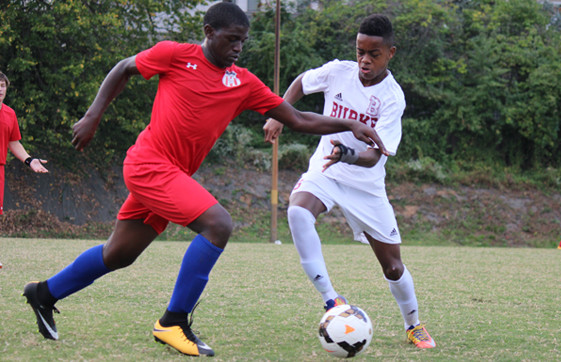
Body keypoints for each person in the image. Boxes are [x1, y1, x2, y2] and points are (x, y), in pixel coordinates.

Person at [21, 2, 387, 357]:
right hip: (149, 164)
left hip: (171, 175)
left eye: (243, 40)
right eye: (231, 39)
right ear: (209, 33)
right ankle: (174, 322)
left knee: (119, 254)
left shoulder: (242, 82)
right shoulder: (175, 55)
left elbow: (298, 119)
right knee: (218, 224)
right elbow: (123, 68)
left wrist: (351, 124)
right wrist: (92, 116)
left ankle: (44, 293)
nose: (238, 47)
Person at [263, 14, 435, 349]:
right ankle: (332, 301)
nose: (365, 60)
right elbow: (302, 81)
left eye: (374, 53)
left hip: (366, 186)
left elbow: (374, 156)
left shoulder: (392, 98)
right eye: (360, 51)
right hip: (325, 172)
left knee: (393, 267)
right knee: (298, 212)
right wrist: (279, 112)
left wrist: (348, 154)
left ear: (391, 53)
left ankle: (413, 325)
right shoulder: (339, 71)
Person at [1, 71, 49, 269]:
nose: (0, 89)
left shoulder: (9, 113)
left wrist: (30, 161)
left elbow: (14, 143)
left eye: (2, 85)